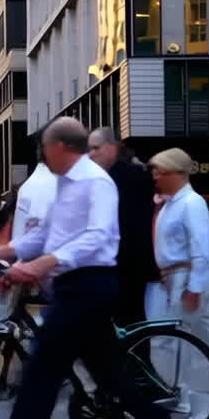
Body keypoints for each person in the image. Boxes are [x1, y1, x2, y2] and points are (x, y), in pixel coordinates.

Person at [0, 117, 178, 419]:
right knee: (112, 377)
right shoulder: (64, 183)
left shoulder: (96, 182)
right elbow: (48, 235)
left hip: (88, 285)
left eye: (45, 148)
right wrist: (8, 249)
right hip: (72, 287)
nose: (42, 155)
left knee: (40, 375)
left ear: (61, 147)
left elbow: (97, 236)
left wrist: (43, 263)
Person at [146, 148, 209, 419]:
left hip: (188, 279)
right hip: (175, 279)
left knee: (205, 346)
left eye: (160, 172)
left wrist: (195, 287)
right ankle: (185, 398)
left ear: (176, 173)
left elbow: (201, 248)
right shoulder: (172, 203)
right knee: (179, 344)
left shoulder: (191, 203)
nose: (155, 177)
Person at [88, 127, 157, 325]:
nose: (91, 154)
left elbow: (134, 224)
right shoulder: (103, 178)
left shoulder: (130, 177)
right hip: (117, 264)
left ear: (112, 148)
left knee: (129, 321)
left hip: (127, 264)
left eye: (96, 148)